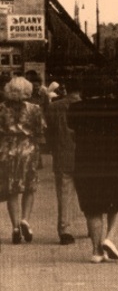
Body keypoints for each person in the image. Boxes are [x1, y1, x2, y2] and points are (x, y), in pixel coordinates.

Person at [68, 73, 118, 263]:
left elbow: (73, 135)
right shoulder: (115, 106)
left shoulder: (75, 108)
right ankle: (110, 238)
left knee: (92, 207)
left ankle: (96, 252)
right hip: (114, 161)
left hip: (86, 161)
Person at [0, 76, 46, 246]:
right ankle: (26, 219)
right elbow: (41, 130)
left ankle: (15, 226)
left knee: (12, 190)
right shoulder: (34, 108)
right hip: (28, 149)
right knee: (29, 187)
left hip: (7, 151)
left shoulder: (1, 109)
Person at [45, 76, 81, 244]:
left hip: (62, 153)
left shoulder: (54, 107)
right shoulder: (85, 106)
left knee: (64, 193)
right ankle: (92, 224)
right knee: (88, 190)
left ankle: (64, 229)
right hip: (84, 154)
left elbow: (49, 132)